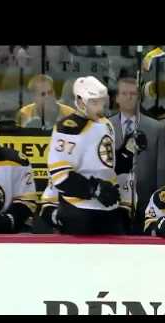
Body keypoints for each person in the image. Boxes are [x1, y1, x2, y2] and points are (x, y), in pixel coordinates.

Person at [47, 76, 130, 235]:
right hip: (79, 212)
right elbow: (60, 176)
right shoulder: (68, 129)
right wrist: (94, 189)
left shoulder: (105, 123)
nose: (99, 107)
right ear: (80, 101)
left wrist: (128, 152)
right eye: (94, 102)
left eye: (101, 102)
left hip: (109, 208)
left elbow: (106, 165)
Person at [109, 77, 165, 233]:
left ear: (139, 97)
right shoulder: (104, 127)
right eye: (124, 93)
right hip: (113, 203)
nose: (129, 97)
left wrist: (159, 203)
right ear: (116, 98)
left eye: (133, 93)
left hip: (146, 203)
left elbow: (162, 169)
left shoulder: (156, 129)